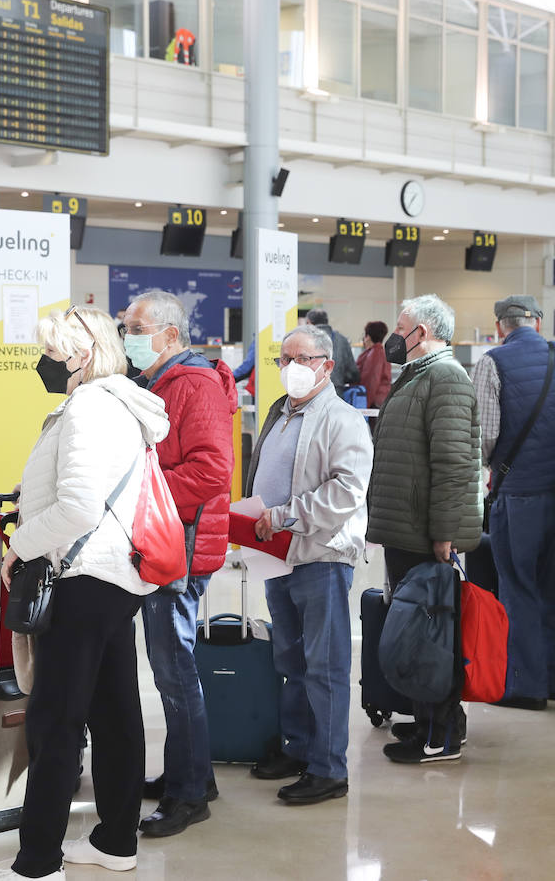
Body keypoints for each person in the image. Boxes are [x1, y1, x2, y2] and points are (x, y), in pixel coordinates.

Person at [0, 307, 171, 881]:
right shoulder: (119, 404)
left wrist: (19, 545)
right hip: (115, 577)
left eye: (50, 351)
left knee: (55, 718)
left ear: (80, 355)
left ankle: (38, 861)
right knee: (115, 710)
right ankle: (116, 840)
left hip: (84, 576)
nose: (41, 361)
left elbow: (77, 507)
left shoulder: (89, 406)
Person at [121, 290, 236, 837]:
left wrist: (143, 493)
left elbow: (213, 471)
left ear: (170, 335)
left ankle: (190, 795)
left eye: (136, 327)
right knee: (171, 670)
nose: (128, 338)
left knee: (175, 672)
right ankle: (192, 775)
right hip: (168, 543)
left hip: (179, 551)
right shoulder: (161, 382)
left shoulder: (193, 385)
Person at [242, 325, 372, 804]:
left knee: (325, 666)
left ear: (327, 365)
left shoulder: (343, 420)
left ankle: (329, 768)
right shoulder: (280, 414)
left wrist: (284, 516)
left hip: (322, 557)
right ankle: (298, 747)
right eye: (284, 358)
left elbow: (345, 492)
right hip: (278, 555)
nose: (291, 367)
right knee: (290, 660)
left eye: (303, 358)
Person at [366, 294, 482, 763]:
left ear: (424, 332)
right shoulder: (416, 375)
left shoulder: (446, 378)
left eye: (402, 326)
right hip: (405, 528)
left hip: (424, 534)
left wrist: (444, 533)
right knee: (417, 631)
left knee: (433, 635)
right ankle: (428, 720)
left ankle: (442, 734)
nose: (395, 334)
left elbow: (455, 464)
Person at [471, 295, 555, 708]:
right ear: (536, 322)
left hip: (520, 495)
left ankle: (525, 686)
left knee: (518, 587)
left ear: (501, 326)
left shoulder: (492, 362)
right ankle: (554, 678)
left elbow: (484, 435)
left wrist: (486, 466)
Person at [306, 309, 359, 396]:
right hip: (336, 393)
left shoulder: (304, 339)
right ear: (326, 321)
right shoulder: (342, 340)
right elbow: (353, 373)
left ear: (309, 322)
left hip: (310, 393)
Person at [357, 320, 392, 408]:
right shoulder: (380, 352)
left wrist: (365, 406)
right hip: (380, 400)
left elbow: (371, 381)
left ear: (368, 337)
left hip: (374, 402)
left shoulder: (375, 353)